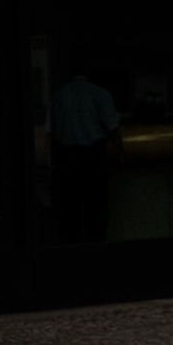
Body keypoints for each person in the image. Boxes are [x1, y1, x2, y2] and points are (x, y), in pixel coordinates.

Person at [50, 64, 123, 243]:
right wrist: (120, 152)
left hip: (67, 156)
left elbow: (52, 129)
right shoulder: (100, 94)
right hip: (93, 156)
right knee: (96, 206)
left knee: (70, 208)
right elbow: (112, 127)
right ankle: (95, 243)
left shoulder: (59, 95)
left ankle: (70, 244)